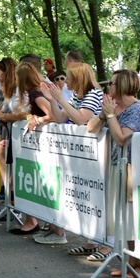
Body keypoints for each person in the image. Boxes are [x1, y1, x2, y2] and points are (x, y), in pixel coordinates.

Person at [83, 70, 140, 270]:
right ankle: (134, 262)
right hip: (119, 166)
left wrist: (111, 115)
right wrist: (104, 114)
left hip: (134, 168)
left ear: (122, 85)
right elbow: (91, 128)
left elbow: (123, 138)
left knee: (134, 216)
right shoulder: (115, 107)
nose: (108, 87)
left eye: (112, 83)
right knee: (125, 216)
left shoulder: (137, 109)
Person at [34, 63, 103, 244]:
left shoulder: (93, 94)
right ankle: (90, 242)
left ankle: (97, 243)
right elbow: (60, 117)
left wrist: (60, 99)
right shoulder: (76, 95)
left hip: (93, 152)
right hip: (79, 151)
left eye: (69, 78)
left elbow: (81, 119)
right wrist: (51, 100)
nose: (66, 81)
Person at [9, 63, 55, 234]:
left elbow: (51, 114)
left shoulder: (36, 92)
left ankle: (34, 222)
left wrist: (36, 120)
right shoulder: (36, 91)